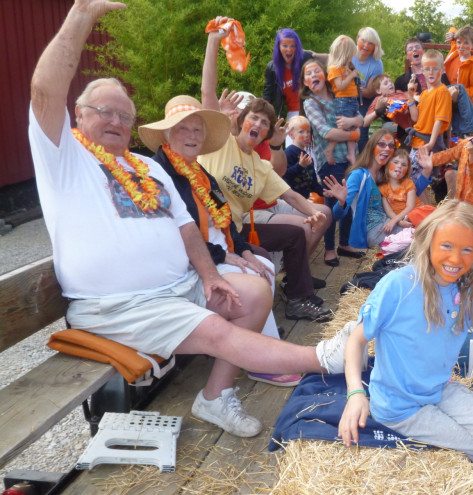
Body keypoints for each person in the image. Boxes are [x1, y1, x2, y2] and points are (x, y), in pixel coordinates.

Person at [28, 0, 339, 438]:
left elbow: (187, 226)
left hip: (179, 287)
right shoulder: (65, 158)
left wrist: (211, 274)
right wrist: (81, 15)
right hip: (120, 305)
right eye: (104, 112)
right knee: (218, 329)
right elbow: (45, 91)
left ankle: (214, 396)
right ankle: (329, 357)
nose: (116, 121)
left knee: (251, 289)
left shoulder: (146, 167)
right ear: (78, 115)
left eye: (125, 115)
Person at [336, 200, 473, 495]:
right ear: (427, 241)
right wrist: (355, 394)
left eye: (466, 250)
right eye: (446, 246)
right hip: (401, 406)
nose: (455, 258)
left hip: (441, 389)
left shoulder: (467, 292)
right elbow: (356, 340)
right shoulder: (398, 285)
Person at [140, 95, 302, 386]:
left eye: (197, 130)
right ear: (167, 133)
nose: (192, 136)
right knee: (255, 278)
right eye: (182, 129)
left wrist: (242, 250)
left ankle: (256, 350)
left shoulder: (200, 173)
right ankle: (260, 359)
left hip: (218, 250)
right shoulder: (159, 173)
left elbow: (224, 220)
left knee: (261, 261)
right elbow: (172, 235)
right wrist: (222, 255)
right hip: (193, 264)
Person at [200, 18, 332, 321]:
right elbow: (208, 90)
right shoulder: (220, 141)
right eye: (253, 119)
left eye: (264, 122)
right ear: (240, 121)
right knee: (271, 252)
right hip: (208, 229)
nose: (258, 125)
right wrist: (213, 42)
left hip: (236, 230)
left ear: (269, 130)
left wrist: (313, 211)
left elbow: (289, 194)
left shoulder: (259, 165)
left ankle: (298, 298)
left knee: (295, 234)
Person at [299, 59, 365, 266]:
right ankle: (329, 249)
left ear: (325, 75)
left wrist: (353, 123)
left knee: (348, 199)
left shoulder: (339, 96)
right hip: (330, 161)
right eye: (307, 75)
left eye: (316, 71)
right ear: (305, 83)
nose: (312, 76)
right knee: (331, 204)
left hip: (350, 158)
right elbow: (325, 132)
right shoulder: (311, 103)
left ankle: (344, 243)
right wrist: (355, 134)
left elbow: (361, 119)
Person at [322, 129, 407, 248]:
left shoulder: (386, 173)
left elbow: (410, 188)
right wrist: (341, 202)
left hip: (389, 223)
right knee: (414, 240)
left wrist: (426, 172)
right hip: (374, 231)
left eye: (391, 146)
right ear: (372, 147)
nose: (387, 148)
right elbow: (337, 215)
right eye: (382, 144)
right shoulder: (358, 175)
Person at [407, 49, 452, 203]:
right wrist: (410, 97)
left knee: (419, 183)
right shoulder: (425, 93)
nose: (431, 72)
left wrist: (431, 144)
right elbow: (415, 118)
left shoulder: (442, 91)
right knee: (412, 182)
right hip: (416, 142)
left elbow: (439, 121)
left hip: (428, 142)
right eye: (427, 68)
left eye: (435, 68)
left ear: (442, 70)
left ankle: (427, 213)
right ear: (422, 71)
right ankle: (421, 214)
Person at [262, 28, 326, 126]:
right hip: (293, 115)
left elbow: (336, 59)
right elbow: (267, 96)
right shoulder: (272, 68)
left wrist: (315, 55)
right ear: (278, 47)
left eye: (293, 46)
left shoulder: (305, 58)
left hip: (314, 109)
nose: (289, 49)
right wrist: (258, 112)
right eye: (285, 46)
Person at [327, 35, 360, 165]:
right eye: (350, 55)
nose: (352, 57)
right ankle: (330, 150)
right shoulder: (335, 69)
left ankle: (351, 154)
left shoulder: (346, 67)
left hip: (352, 101)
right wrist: (352, 75)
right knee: (342, 127)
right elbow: (340, 86)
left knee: (352, 127)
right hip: (343, 101)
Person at [351, 27, 384, 152]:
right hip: (343, 97)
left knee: (361, 129)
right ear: (357, 39)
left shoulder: (376, 63)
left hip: (363, 100)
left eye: (370, 43)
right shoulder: (348, 53)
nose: (366, 45)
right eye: (363, 41)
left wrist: (348, 87)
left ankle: (363, 160)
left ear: (375, 46)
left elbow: (369, 92)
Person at [444, 25, 473, 117]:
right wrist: (453, 35)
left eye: (466, 43)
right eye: (459, 42)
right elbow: (452, 28)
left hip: (463, 104)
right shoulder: (454, 52)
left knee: (459, 130)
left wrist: (459, 92)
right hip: (446, 100)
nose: (461, 46)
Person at [377, 148, 421, 232]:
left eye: (404, 165)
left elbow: (410, 206)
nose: (400, 166)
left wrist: (394, 220)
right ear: (387, 165)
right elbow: (388, 210)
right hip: (402, 218)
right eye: (396, 162)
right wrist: (399, 222)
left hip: (415, 212)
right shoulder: (382, 188)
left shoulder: (408, 183)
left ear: (407, 170)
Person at [283, 115, 323, 200]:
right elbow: (283, 175)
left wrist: (325, 192)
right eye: (301, 132)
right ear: (291, 135)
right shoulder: (288, 153)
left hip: (304, 199)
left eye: (308, 131)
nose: (306, 135)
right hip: (291, 201)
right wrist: (300, 166)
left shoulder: (308, 157)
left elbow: (313, 182)